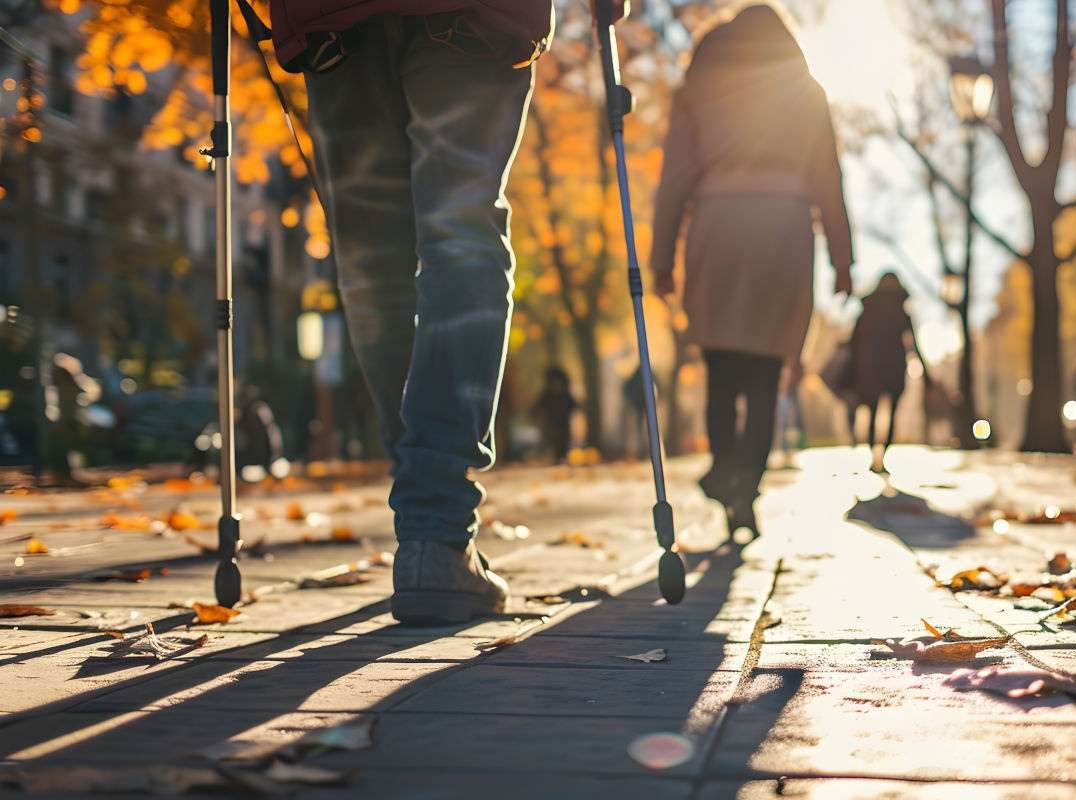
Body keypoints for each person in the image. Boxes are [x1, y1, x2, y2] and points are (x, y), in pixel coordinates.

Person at [270, 0, 626, 624]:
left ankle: (423, 524)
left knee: (372, 264)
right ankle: (433, 530)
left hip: (333, 21)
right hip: (470, 19)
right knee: (460, 240)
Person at [650, 2, 854, 538]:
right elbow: (827, 175)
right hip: (784, 233)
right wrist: (842, 256)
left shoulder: (698, 88)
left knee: (721, 369)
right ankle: (746, 485)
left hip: (718, 228)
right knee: (766, 375)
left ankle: (725, 469)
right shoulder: (805, 91)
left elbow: (675, 177)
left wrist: (661, 255)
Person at [846, 272, 926, 473]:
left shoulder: (868, 309)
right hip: (895, 366)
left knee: (872, 412)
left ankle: (874, 456)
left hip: (871, 367)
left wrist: (854, 365)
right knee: (892, 413)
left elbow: (854, 341)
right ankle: (884, 456)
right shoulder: (902, 313)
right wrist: (926, 371)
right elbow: (913, 345)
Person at [534, 366, 577, 463]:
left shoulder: (565, 395)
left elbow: (573, 405)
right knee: (554, 439)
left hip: (563, 422)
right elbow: (539, 405)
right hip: (552, 422)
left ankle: (562, 457)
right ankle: (557, 457)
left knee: (563, 439)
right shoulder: (547, 394)